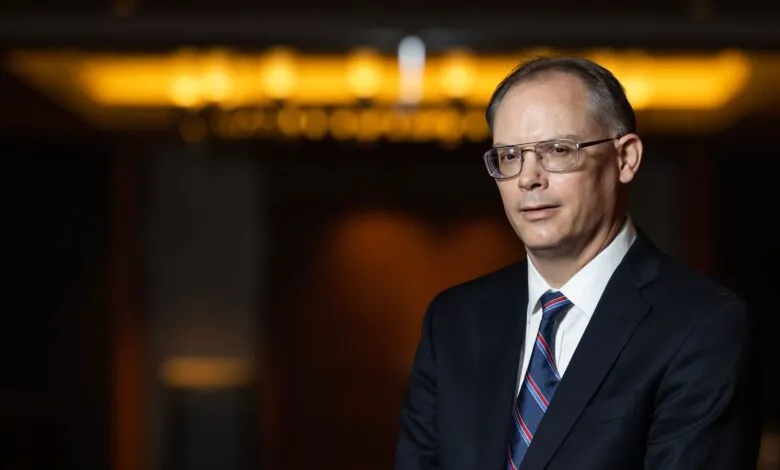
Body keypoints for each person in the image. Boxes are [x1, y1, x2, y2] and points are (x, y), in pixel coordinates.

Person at [393, 56, 763, 470]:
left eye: (557, 150)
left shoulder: (703, 325)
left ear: (625, 158)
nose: (528, 178)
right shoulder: (454, 320)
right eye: (510, 156)